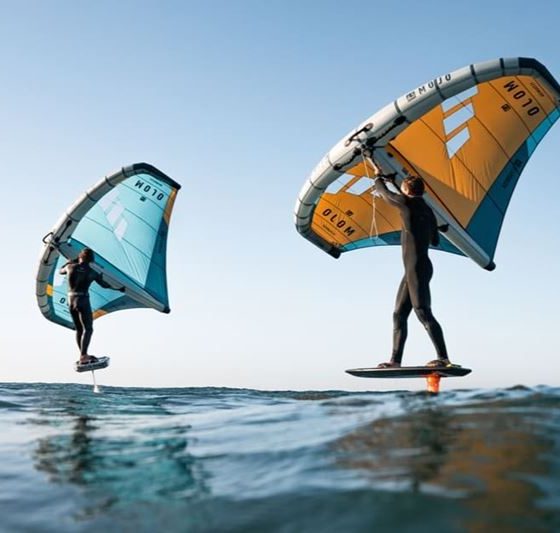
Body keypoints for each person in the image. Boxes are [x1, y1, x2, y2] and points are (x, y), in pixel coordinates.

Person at [370, 162, 453, 368]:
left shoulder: (406, 204)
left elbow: (385, 194)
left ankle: (443, 358)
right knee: (399, 314)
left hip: (416, 268)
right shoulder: (428, 211)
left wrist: (378, 176)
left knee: (422, 311)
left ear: (406, 191)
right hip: (418, 267)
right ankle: (395, 361)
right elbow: (435, 240)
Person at [59, 248, 124, 366]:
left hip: (71, 300)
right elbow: (105, 285)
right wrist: (119, 288)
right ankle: (84, 355)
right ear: (91, 260)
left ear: (80, 257)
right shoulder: (93, 272)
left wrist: (69, 261)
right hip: (82, 300)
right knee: (88, 329)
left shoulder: (70, 267)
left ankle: (82, 355)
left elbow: (60, 271)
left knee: (79, 329)